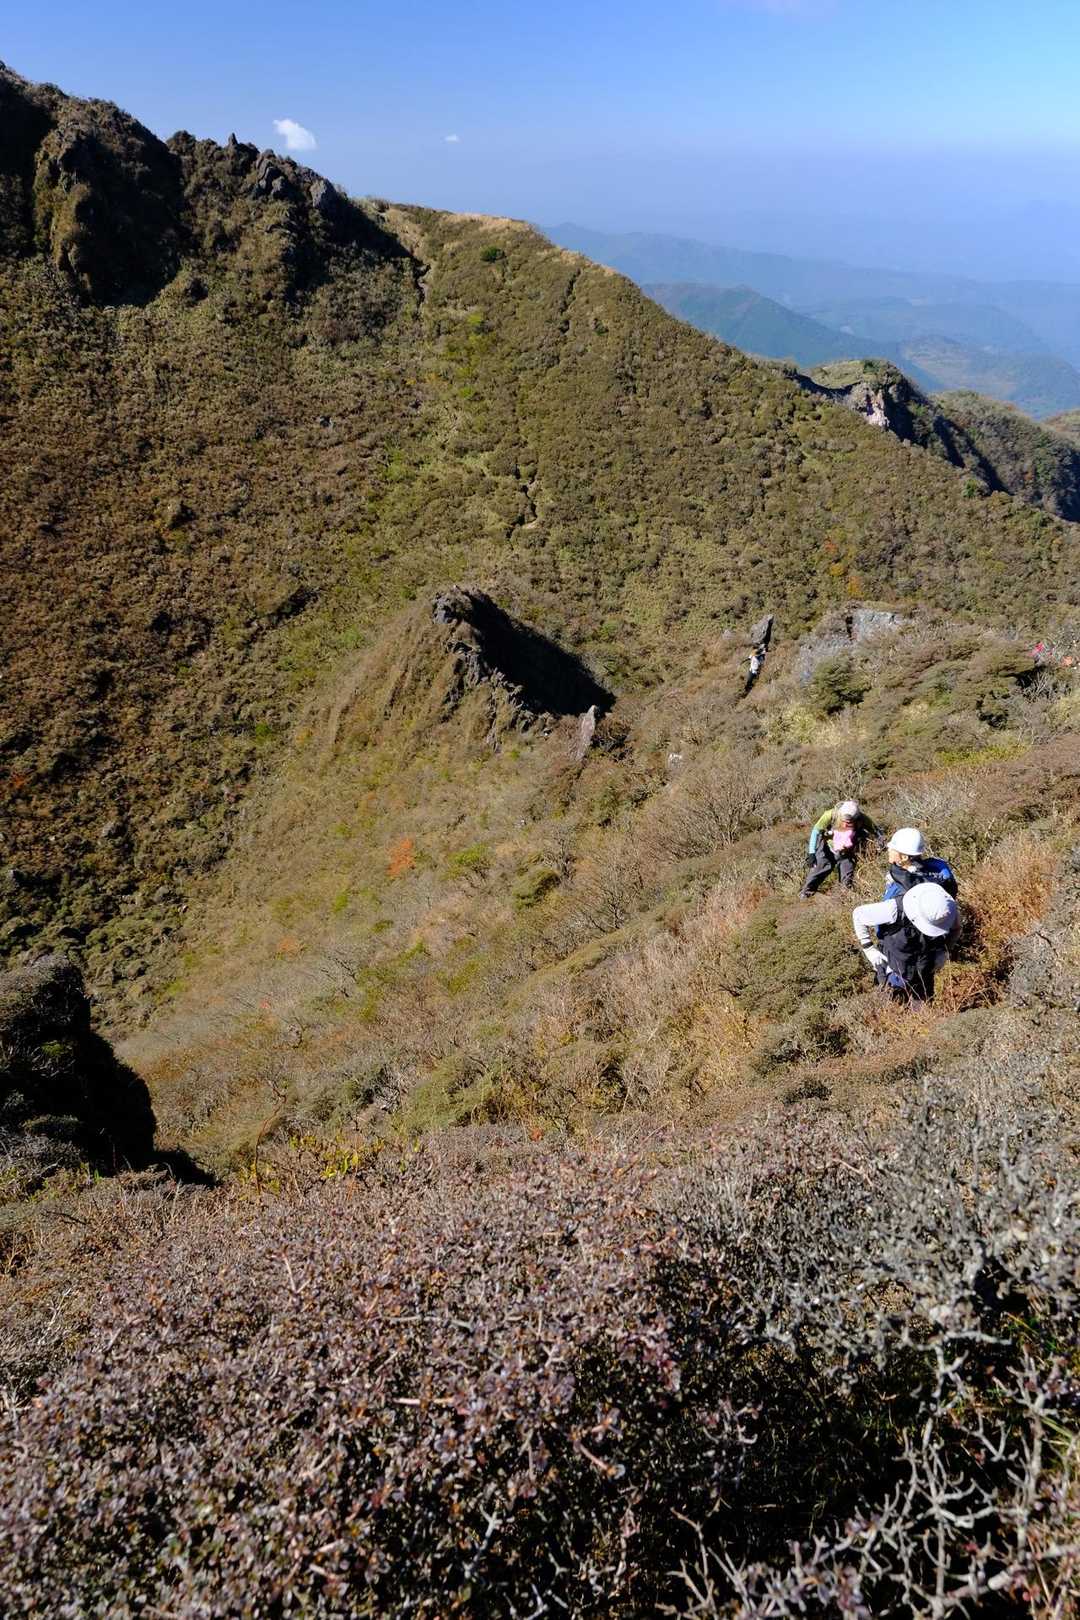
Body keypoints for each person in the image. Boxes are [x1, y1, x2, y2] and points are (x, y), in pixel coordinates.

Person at [853, 881, 961, 1003]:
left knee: (923, 1008)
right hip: (893, 965)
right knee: (888, 1004)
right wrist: (869, 949)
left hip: (925, 967)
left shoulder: (946, 909)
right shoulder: (894, 909)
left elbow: (956, 929)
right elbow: (858, 915)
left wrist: (944, 952)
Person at [800, 799, 882, 897]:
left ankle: (843, 899)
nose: (845, 825)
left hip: (847, 852)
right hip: (827, 848)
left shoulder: (862, 819)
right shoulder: (830, 815)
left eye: (849, 822)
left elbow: (876, 831)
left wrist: (881, 842)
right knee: (817, 872)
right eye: (844, 821)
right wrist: (812, 853)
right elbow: (816, 831)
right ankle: (805, 894)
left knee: (846, 880)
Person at [881, 827, 958, 901]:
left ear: (904, 857)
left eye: (893, 849)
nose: (889, 850)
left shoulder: (902, 884)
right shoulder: (937, 870)